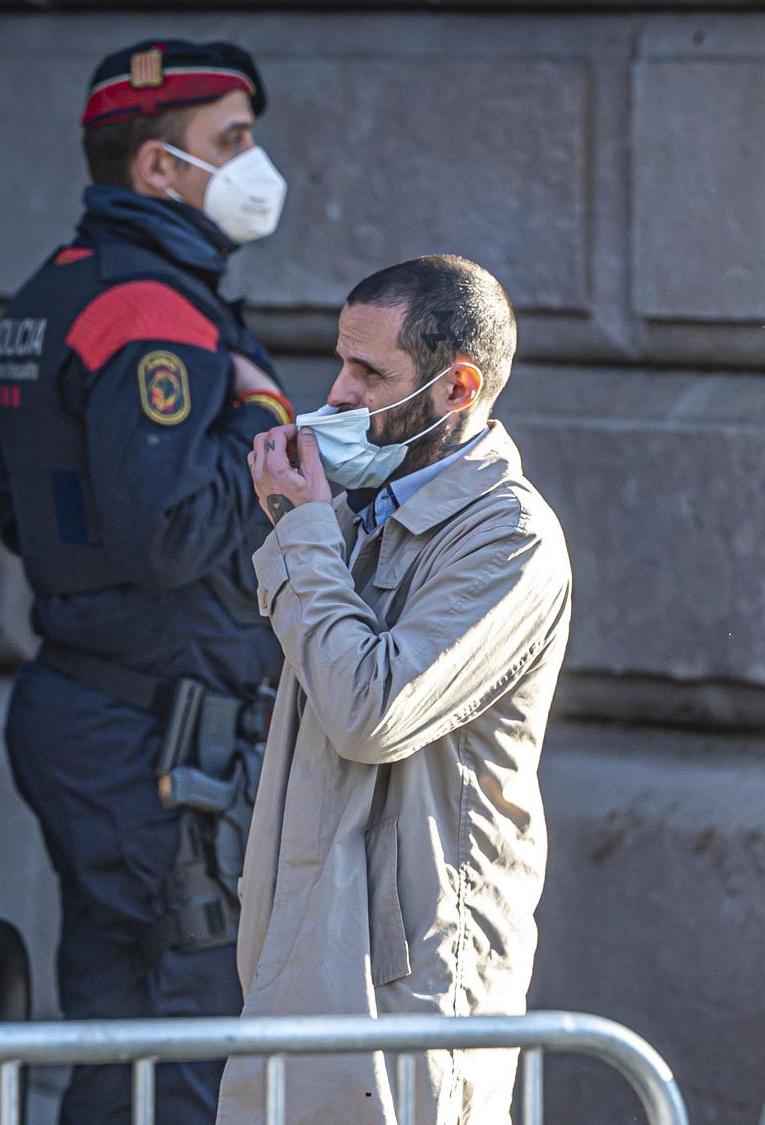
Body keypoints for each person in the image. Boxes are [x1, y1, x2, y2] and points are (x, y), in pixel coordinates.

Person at [0, 39, 292, 1124]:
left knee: (115, 1031)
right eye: (233, 141)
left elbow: (22, 517)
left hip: (96, 713)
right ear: (159, 169)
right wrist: (261, 422)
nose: (256, 165)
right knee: (192, 1042)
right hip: (157, 745)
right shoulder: (155, 314)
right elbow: (165, 533)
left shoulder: (52, 295)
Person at [219, 255, 574, 1124]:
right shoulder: (358, 507)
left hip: (410, 988)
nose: (336, 393)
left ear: (458, 388)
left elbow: (371, 712)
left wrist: (303, 530)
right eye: (340, 362)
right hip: (311, 958)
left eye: (369, 372)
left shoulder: (510, 535)